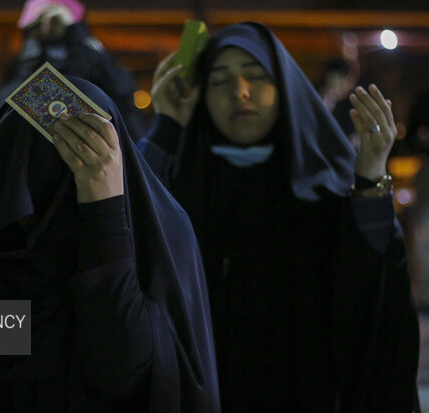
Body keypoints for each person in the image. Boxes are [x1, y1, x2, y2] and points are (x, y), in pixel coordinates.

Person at [0, 34, 220, 412]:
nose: (62, 174)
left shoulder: (162, 237)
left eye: (86, 154)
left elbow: (121, 370)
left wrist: (106, 207)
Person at [138, 22, 420, 411]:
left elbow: (373, 290)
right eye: (219, 81)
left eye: (256, 76)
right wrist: (167, 124)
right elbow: (128, 228)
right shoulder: (183, 183)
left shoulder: (322, 188)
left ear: (285, 88)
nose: (240, 91)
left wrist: (370, 176)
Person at [0, 0, 147, 141]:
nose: (46, 30)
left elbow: (122, 99)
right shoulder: (17, 81)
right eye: (36, 26)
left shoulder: (101, 81)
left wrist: (76, 36)